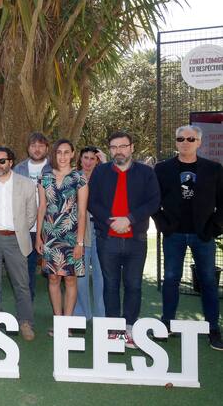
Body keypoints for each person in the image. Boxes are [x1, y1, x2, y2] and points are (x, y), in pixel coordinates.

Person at [153, 125, 223, 350]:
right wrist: (164, 225)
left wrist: (213, 228)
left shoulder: (213, 169)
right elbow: (153, 200)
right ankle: (167, 323)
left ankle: (213, 329)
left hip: (203, 235)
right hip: (174, 235)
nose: (185, 142)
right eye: (181, 138)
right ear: (176, 141)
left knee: (208, 281)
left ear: (199, 142)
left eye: (190, 139)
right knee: (171, 278)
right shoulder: (162, 169)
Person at [88, 131, 160, 349]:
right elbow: (92, 202)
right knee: (110, 285)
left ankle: (129, 327)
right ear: (109, 150)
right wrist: (111, 221)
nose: (118, 151)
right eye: (114, 147)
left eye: (122, 146)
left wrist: (129, 219)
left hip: (136, 240)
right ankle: (113, 328)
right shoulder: (100, 172)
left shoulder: (146, 173)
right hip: (107, 239)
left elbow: (154, 201)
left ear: (131, 148)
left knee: (133, 285)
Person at [0, 146, 37, 340]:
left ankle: (25, 323)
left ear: (10, 162)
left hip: (16, 239)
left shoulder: (26, 184)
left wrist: (17, 230)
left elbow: (31, 215)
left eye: (2, 161)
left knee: (22, 284)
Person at [36, 139, 87, 335]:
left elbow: (81, 213)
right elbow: (41, 208)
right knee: (53, 278)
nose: (63, 156)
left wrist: (80, 242)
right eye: (59, 152)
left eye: (67, 152)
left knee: (71, 280)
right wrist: (39, 237)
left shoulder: (79, 178)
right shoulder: (45, 177)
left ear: (73, 154)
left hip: (72, 236)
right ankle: (58, 322)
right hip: (50, 235)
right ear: (54, 154)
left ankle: (67, 323)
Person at [14, 132, 53, 301]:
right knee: (26, 269)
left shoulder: (54, 168)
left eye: (41, 146)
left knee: (55, 272)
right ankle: (26, 305)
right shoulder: (19, 169)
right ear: (28, 148)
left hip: (51, 226)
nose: (37, 149)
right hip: (27, 227)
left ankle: (62, 312)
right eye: (33, 146)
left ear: (47, 148)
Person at [74, 146, 106, 321]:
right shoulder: (74, 177)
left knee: (101, 274)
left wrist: (106, 162)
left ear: (97, 161)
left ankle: (101, 315)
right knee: (80, 275)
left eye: (92, 158)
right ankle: (82, 314)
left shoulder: (104, 175)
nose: (88, 162)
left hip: (100, 229)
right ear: (80, 159)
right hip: (80, 231)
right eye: (85, 157)